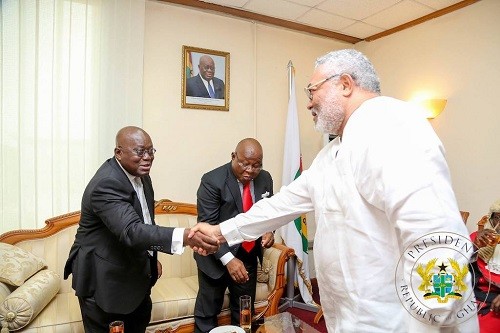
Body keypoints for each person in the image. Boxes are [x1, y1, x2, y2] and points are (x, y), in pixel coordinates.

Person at [189, 49, 479, 332]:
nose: (308, 103)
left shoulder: (391, 126)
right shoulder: (332, 153)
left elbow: (434, 234)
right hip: (351, 316)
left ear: (345, 84)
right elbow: (281, 205)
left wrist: (439, 314)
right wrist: (221, 232)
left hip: (398, 319)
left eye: (312, 91)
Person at [63, 126, 219, 333]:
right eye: (140, 151)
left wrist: (151, 259)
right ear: (118, 152)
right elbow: (131, 231)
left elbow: (145, 220)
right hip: (104, 282)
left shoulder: (142, 176)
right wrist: (186, 236)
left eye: (151, 151)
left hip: (134, 278)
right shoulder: (106, 183)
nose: (147, 157)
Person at [193, 138, 274, 333]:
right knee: (207, 314)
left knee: (244, 312)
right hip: (215, 255)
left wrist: (269, 230)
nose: (250, 170)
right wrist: (229, 260)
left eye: (256, 165)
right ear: (233, 156)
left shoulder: (265, 178)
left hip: (247, 254)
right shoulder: (212, 181)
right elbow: (207, 228)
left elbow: (269, 212)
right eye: (244, 163)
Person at [470, 199, 500, 333]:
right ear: (491, 219)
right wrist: (474, 247)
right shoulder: (478, 238)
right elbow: (453, 267)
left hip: (495, 304)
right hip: (468, 297)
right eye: (498, 218)